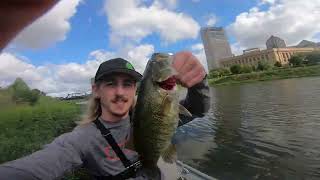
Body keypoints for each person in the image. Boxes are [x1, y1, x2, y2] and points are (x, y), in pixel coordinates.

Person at [0, 1, 210, 179]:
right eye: (110, 83)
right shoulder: (82, 139)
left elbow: (199, 109)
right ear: (96, 90)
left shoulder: (146, 115)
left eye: (127, 84)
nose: (120, 92)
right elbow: (35, 167)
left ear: (135, 89)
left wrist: (199, 80)